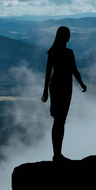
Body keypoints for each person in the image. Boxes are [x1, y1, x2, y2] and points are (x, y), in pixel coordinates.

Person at [41, 26, 87, 162]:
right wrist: (81, 83)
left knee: (58, 120)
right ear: (65, 36)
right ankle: (57, 155)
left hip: (56, 86)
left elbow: (48, 72)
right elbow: (74, 70)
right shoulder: (68, 52)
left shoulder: (53, 52)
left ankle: (57, 153)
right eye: (68, 34)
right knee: (61, 120)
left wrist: (45, 90)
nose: (69, 36)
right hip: (65, 87)